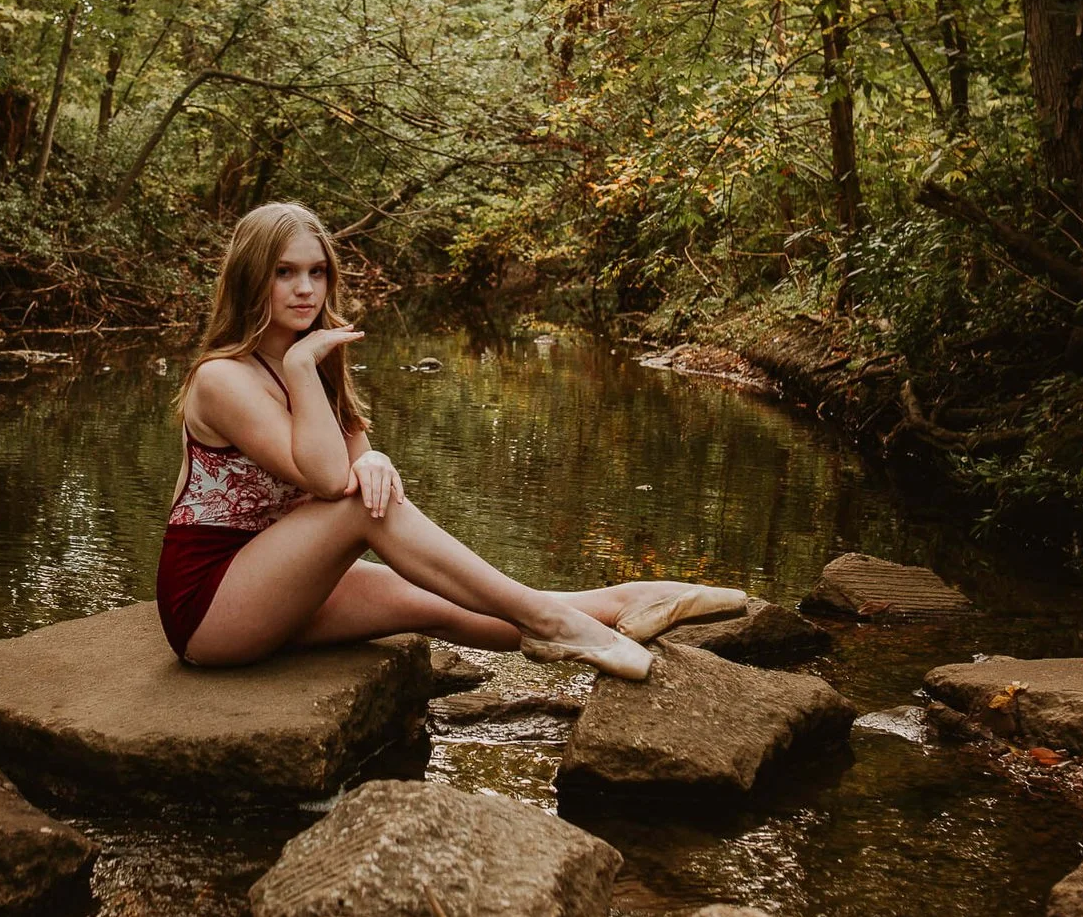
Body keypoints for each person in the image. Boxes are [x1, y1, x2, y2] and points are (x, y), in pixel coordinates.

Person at [154, 202, 744, 677]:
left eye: (316, 271)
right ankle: (554, 623)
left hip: (282, 578)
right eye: (284, 272)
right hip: (211, 604)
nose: (305, 288)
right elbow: (333, 481)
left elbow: (357, 463)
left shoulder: (316, 363)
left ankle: (632, 599)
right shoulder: (222, 379)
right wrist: (306, 371)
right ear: (251, 278)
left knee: (453, 606)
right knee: (362, 505)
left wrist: (377, 455)